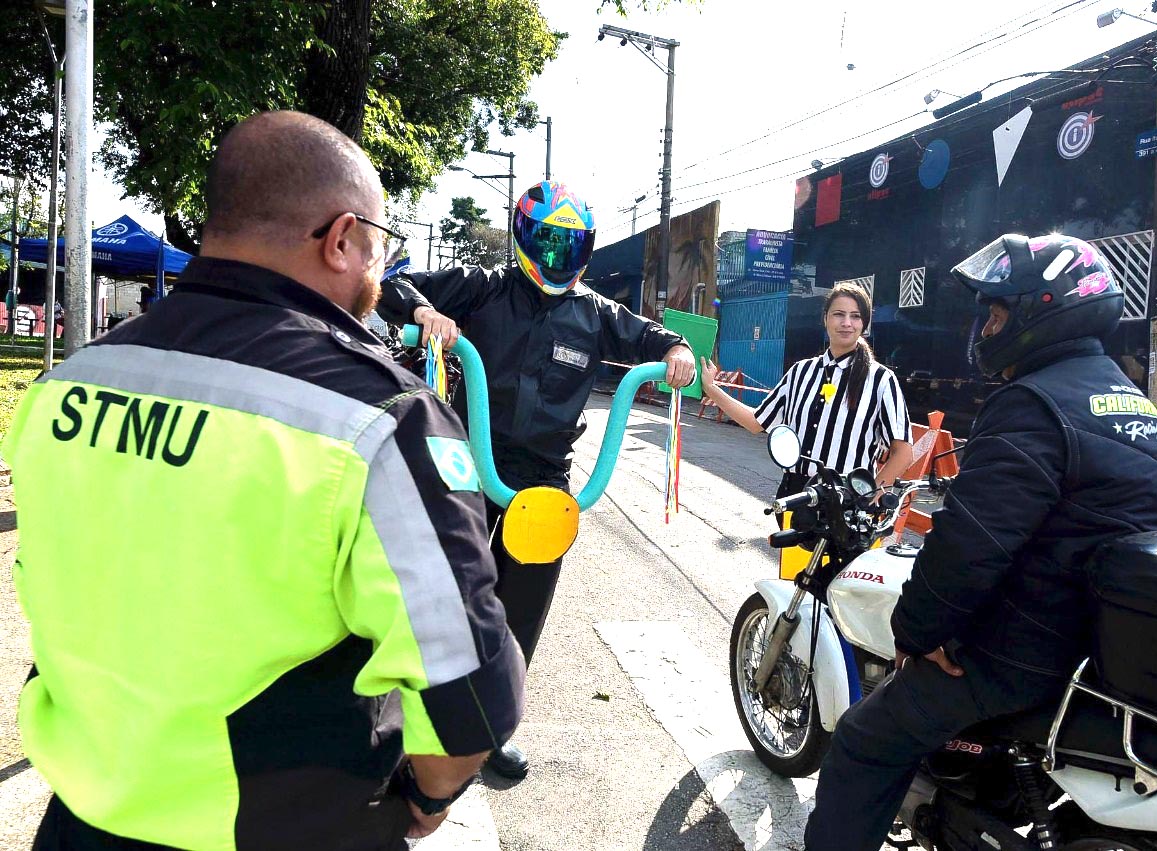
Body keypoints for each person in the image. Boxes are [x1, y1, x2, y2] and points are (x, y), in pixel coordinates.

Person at [2, 111, 524, 850]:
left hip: (79, 819)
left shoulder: (66, 384)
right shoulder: (383, 416)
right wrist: (423, 793)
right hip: (283, 828)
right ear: (342, 239)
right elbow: (472, 691)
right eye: (380, 246)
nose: (381, 272)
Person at [804, 234, 1157, 850]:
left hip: (1025, 650)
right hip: (1102, 645)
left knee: (862, 744)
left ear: (1044, 312)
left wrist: (917, 633)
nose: (987, 327)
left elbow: (971, 544)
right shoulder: (1131, 401)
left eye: (1000, 311)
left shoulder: (1033, 403)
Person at [377, 179, 696, 779]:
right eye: (547, 244)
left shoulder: (595, 312)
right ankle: (406, 721)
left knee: (521, 611)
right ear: (524, 237)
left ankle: (491, 730)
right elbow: (394, 282)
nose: (557, 259)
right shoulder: (484, 287)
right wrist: (424, 310)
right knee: (444, 596)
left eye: (570, 247)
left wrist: (677, 349)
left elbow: (654, 337)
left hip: (545, 483)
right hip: (466, 465)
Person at [699, 281, 914, 502]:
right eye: (839, 314)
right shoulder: (800, 372)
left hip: (845, 501)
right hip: (795, 495)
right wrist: (711, 388)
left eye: (856, 316)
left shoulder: (880, 380)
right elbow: (757, 422)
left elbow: (903, 452)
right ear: (825, 319)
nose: (847, 323)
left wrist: (867, 498)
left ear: (864, 324)